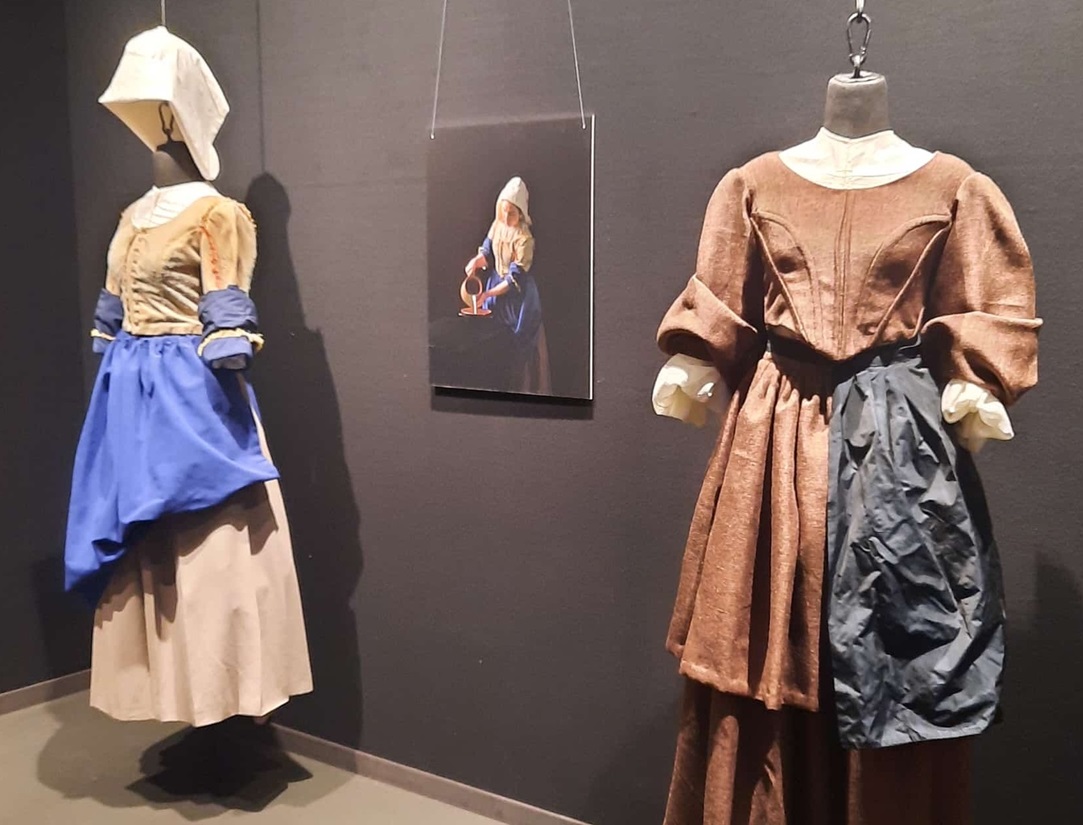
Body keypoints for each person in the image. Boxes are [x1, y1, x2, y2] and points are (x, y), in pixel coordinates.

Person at [464, 177, 551, 394]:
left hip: (518, 298)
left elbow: (514, 279)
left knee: (520, 348)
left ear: (520, 213)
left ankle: (525, 392)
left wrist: (488, 294)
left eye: (511, 213)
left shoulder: (524, 239)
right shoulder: (497, 226)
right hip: (495, 287)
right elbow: (487, 251)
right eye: (503, 211)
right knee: (492, 341)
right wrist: (477, 261)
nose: (505, 216)